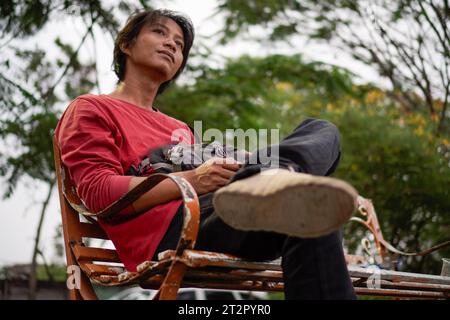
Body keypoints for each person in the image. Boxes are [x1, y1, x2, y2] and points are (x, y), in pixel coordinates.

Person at [54, 9, 358, 299]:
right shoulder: (92, 108)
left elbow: (220, 168)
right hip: (171, 231)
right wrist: (194, 179)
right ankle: (276, 178)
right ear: (126, 44)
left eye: (179, 44)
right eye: (159, 32)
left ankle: (281, 174)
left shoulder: (179, 128)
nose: (171, 44)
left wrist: (251, 166)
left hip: (226, 210)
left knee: (321, 132)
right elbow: (98, 192)